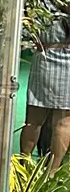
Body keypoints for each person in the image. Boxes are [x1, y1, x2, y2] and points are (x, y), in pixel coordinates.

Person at [21, 13, 70, 169]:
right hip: (57, 58)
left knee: (34, 120)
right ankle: (53, 173)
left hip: (45, 58)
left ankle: (23, 166)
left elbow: (28, 29)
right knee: (63, 122)